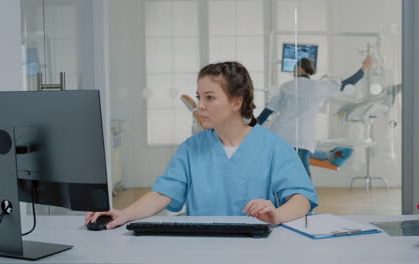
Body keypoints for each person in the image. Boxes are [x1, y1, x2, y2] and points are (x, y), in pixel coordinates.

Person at [85, 61, 318, 228]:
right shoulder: (191, 148)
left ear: (237, 102)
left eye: (210, 97)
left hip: (258, 247)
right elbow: (162, 195)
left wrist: (277, 215)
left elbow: (302, 199)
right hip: (201, 245)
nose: (200, 106)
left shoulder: (274, 147)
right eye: (199, 97)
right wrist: (124, 214)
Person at [257, 56, 373, 178]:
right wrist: (364, 67)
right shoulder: (319, 86)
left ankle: (329, 156)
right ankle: (329, 157)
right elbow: (348, 83)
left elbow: (267, 111)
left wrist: (250, 129)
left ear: (299, 68)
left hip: (280, 135)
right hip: (302, 139)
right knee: (303, 175)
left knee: (280, 172)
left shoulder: (285, 86)